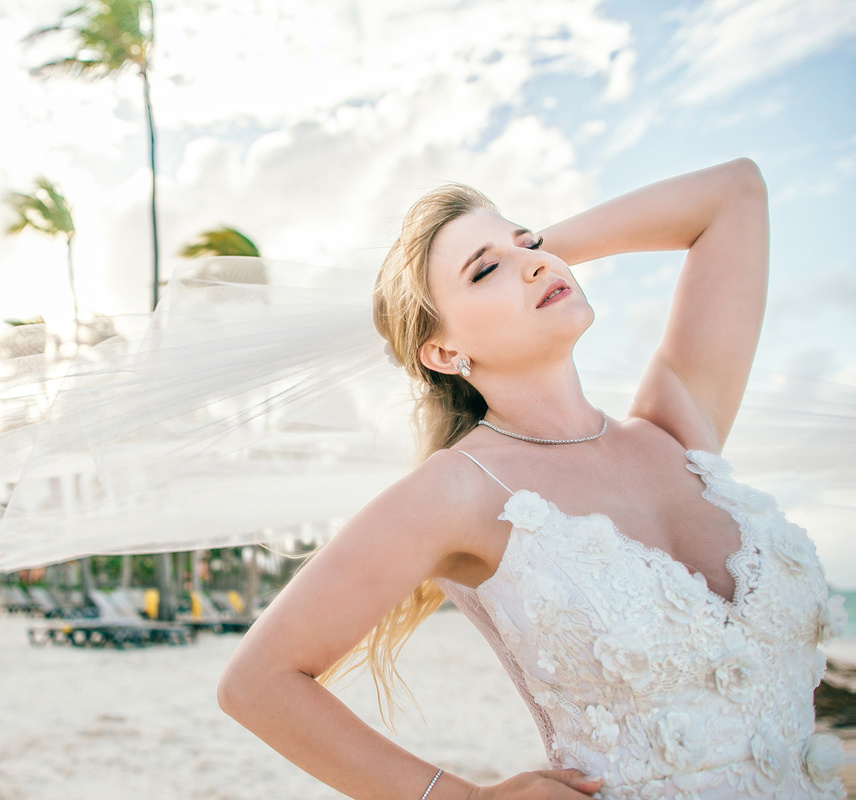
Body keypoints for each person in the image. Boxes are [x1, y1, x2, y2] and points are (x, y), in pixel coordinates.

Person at [216, 159, 848, 799]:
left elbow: (734, 192)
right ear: (442, 352)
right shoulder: (460, 490)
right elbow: (257, 682)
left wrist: (530, 259)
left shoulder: (677, 427)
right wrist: (466, 799)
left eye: (531, 243)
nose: (536, 262)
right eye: (484, 270)